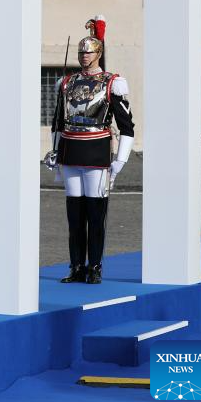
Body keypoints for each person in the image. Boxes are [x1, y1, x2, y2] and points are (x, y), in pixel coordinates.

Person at [47, 15, 134, 285]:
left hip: (96, 151)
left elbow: (127, 126)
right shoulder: (67, 83)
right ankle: (76, 266)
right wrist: (54, 152)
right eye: (81, 52)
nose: (84, 56)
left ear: (99, 53)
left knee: (96, 214)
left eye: (89, 52)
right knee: (74, 215)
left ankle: (94, 265)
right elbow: (58, 122)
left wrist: (120, 160)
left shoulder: (112, 82)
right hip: (71, 150)